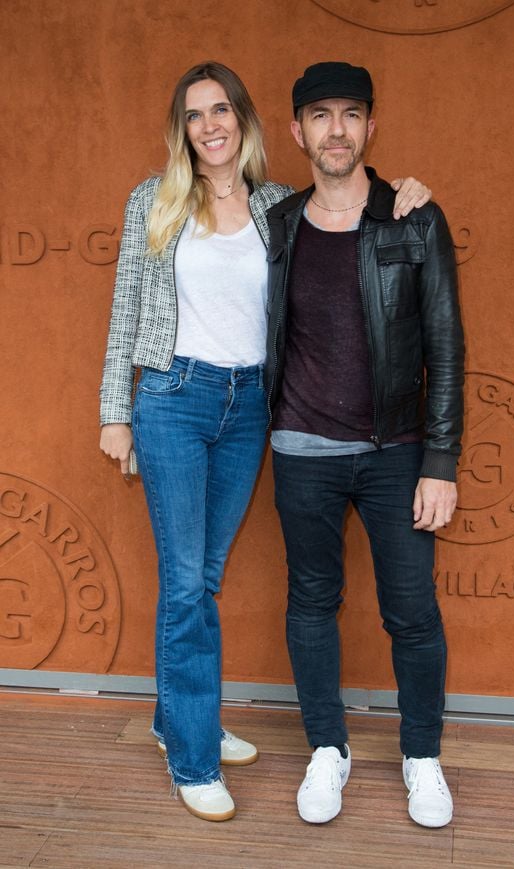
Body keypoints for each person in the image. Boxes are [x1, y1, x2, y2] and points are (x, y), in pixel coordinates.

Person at [99, 60, 432, 822]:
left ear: (246, 122)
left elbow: (353, 206)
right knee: (184, 582)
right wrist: (114, 412)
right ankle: (191, 755)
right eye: (194, 114)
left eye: (223, 110)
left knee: (203, 575)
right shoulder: (152, 201)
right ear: (180, 128)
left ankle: (178, 714)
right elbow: (124, 309)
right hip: (175, 399)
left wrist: (409, 194)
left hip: (251, 404)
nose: (210, 125)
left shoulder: (279, 206)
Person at [265, 62, 465, 828]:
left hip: (397, 453)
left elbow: (444, 344)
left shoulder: (415, 217)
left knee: (411, 612)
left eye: (351, 114)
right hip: (300, 451)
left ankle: (422, 755)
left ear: (370, 127)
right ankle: (328, 748)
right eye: (321, 116)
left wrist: (439, 461)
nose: (336, 129)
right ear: (298, 132)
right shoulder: (278, 224)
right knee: (311, 600)